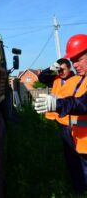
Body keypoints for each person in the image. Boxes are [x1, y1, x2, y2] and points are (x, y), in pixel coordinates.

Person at [34, 34, 87, 193]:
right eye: (73, 60)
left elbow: (82, 103)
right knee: (76, 165)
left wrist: (57, 103)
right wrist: (51, 69)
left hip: (77, 130)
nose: (75, 64)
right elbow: (43, 78)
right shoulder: (76, 79)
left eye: (79, 59)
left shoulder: (75, 78)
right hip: (74, 130)